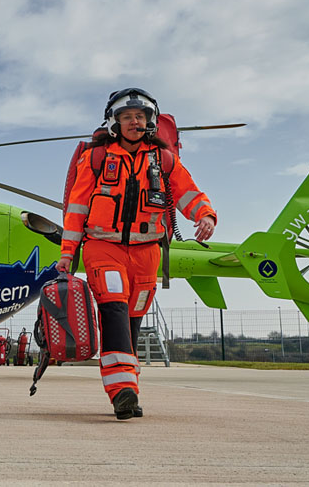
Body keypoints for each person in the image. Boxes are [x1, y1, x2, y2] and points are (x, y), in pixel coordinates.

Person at [56, 88, 216, 419]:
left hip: (147, 253)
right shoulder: (96, 158)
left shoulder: (165, 160)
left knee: (131, 321)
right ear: (114, 123)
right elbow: (76, 208)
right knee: (113, 308)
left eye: (140, 117)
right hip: (104, 246)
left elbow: (188, 192)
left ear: (150, 122)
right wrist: (68, 253)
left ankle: (130, 388)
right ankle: (121, 392)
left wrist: (205, 215)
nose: (134, 122)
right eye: (127, 117)